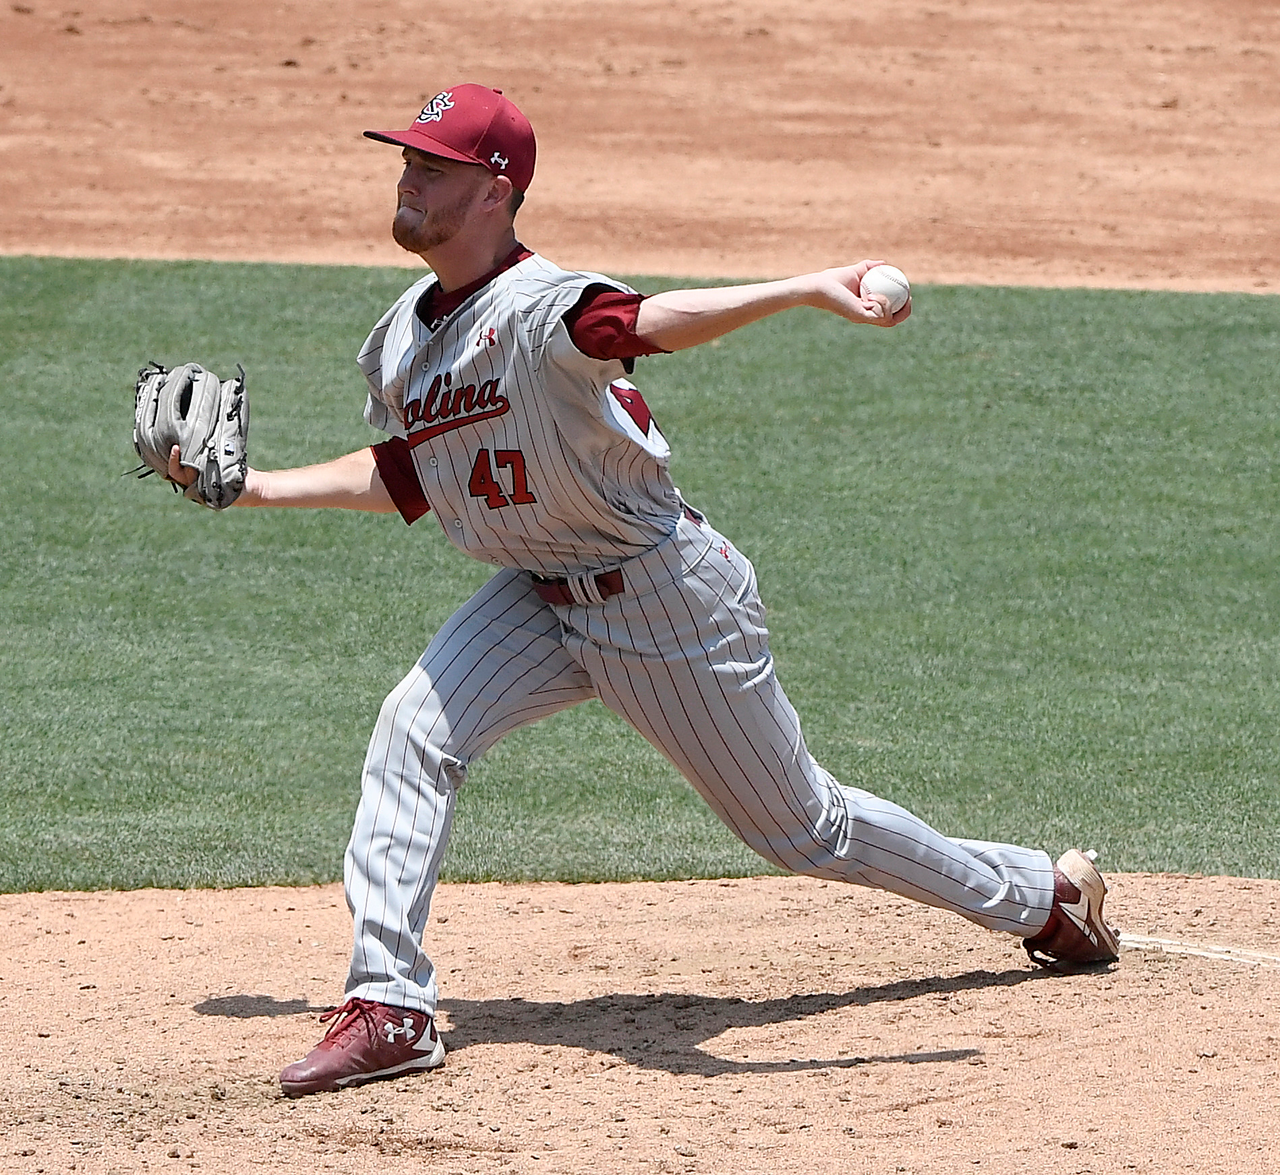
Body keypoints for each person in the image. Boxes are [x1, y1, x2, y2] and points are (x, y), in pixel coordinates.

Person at [165, 84, 1119, 1097]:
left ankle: (1041, 896)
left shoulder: (545, 306)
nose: (409, 177)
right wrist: (251, 487)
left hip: (664, 599)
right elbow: (415, 474)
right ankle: (389, 1004)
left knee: (807, 831)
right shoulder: (406, 332)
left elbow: (640, 321)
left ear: (495, 191)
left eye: (434, 166)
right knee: (413, 729)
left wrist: (802, 288)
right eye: (407, 158)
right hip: (538, 593)